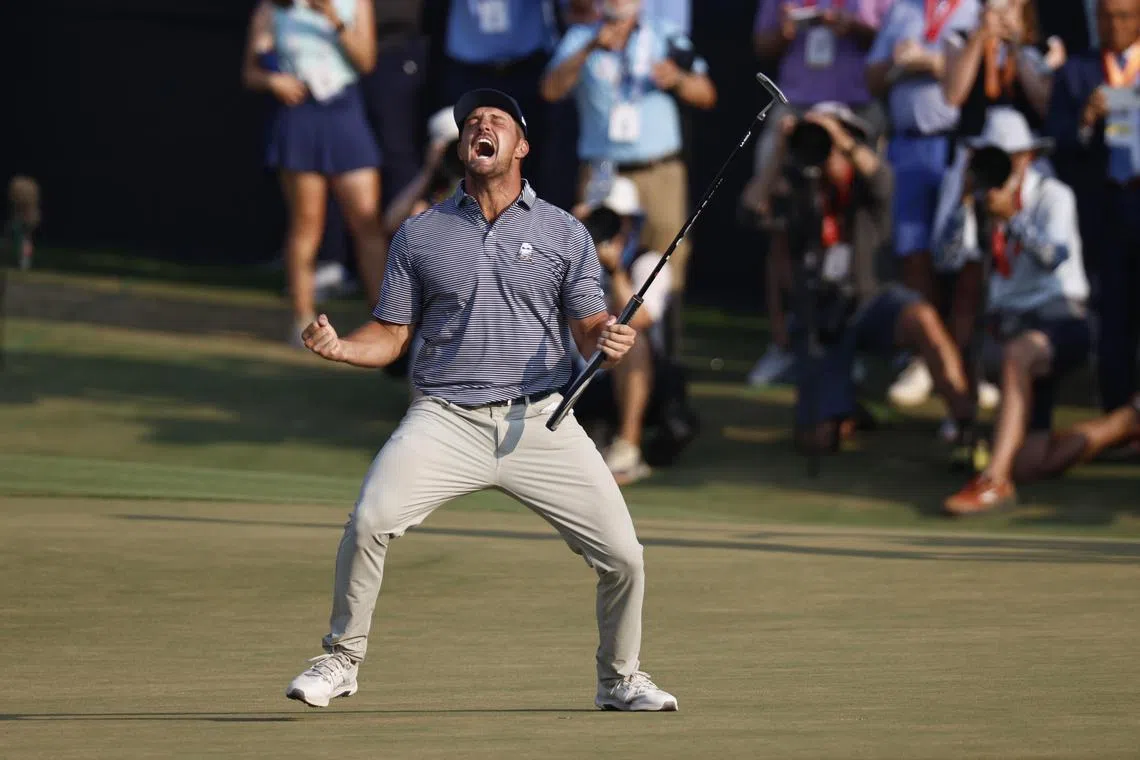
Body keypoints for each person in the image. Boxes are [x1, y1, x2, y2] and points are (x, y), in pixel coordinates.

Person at [285, 88, 679, 712]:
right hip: (445, 419)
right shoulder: (419, 234)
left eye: (496, 121)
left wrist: (607, 338)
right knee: (368, 523)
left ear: (520, 145)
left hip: (542, 420)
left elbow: (587, 327)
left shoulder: (564, 232)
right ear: (462, 147)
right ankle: (341, 659)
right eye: (471, 122)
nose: (481, 127)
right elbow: (390, 335)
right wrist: (341, 348)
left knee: (625, 558)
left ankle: (620, 678)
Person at [766, 103, 977, 452]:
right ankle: (850, 409)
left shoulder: (870, 188)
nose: (829, 151)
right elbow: (753, 210)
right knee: (816, 441)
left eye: (838, 142)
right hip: (824, 316)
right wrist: (779, 151)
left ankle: (965, 422)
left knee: (922, 316)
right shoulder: (800, 187)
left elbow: (882, 178)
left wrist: (839, 138)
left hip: (872, 303)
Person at [937, 108, 1091, 514]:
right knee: (1033, 465)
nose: (1000, 167)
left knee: (1015, 354)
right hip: (1010, 329)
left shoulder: (1054, 195)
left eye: (1006, 157)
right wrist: (964, 204)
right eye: (990, 158)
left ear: (1026, 158)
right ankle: (1127, 422)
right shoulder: (980, 201)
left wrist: (1014, 218)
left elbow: (1054, 258)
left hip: (1060, 318)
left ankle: (994, 481)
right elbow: (948, 259)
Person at [744, 0, 891, 388]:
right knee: (775, 224)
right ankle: (783, 344)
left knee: (864, 223)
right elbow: (763, 44)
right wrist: (786, 31)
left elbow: (892, 44)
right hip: (795, 107)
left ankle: (852, 345)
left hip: (857, 108)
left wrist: (854, 27)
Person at [540, 0, 716, 304]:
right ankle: (591, 346)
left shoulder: (665, 36)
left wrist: (678, 80)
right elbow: (550, 90)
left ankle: (664, 348)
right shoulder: (581, 37)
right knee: (590, 260)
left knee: (665, 261)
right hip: (602, 170)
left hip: (657, 169)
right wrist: (590, 49)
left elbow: (706, 94)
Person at [242, 0, 389, 342]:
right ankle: (303, 320)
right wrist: (272, 81)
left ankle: (385, 320)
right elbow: (250, 72)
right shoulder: (274, 8)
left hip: (344, 111)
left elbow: (366, 60)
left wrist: (332, 17)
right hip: (300, 116)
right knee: (307, 224)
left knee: (368, 222)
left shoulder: (356, 4)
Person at [864, 0, 980, 409]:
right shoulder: (901, 11)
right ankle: (921, 357)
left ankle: (961, 362)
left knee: (964, 258)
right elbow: (872, 77)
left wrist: (933, 64)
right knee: (913, 256)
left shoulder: (974, 10)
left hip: (955, 144)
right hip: (906, 146)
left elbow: (986, 76)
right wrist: (898, 67)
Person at [1046, 0, 1140, 435]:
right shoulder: (1076, 72)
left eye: (1124, 16)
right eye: (1106, 16)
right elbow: (1059, 144)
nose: (1114, 25)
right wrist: (1085, 120)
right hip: (1104, 210)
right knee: (1113, 315)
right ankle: (1116, 418)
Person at [575, 177, 675, 484]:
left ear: (632, 222)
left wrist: (615, 270)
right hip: (576, 373)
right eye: (598, 218)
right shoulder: (568, 260)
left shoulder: (650, 262)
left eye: (615, 220)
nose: (608, 228)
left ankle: (628, 448)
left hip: (638, 378)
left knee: (632, 339)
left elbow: (642, 318)